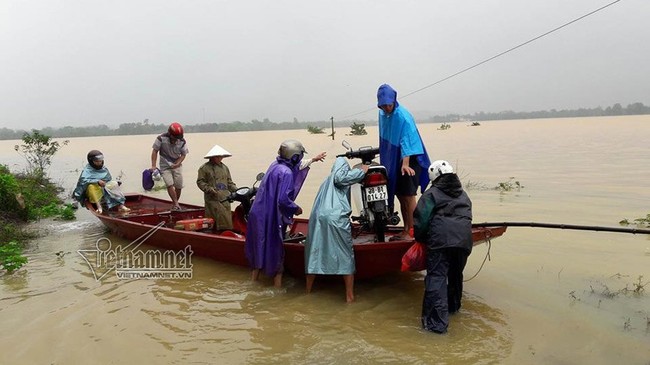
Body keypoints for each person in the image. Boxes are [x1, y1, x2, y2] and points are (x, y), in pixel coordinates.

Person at [413, 160, 473, 334]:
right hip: (464, 241)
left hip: (440, 241)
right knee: (455, 275)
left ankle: (436, 326)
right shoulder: (464, 195)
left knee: (437, 278)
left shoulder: (431, 194)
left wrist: (422, 239)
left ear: (435, 178)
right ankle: (454, 310)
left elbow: (421, 220)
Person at [245, 139, 310, 288]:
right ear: (294, 156)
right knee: (276, 252)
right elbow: (283, 200)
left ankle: (253, 283)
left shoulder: (274, 165)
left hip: (258, 213)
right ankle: (277, 290)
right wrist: (296, 208)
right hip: (270, 216)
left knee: (258, 249)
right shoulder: (286, 172)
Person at [305, 157, 368, 303]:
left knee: (314, 253)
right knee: (345, 255)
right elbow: (341, 178)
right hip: (336, 218)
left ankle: (307, 292)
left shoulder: (325, 182)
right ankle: (349, 296)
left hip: (318, 219)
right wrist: (361, 171)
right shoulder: (340, 177)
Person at [377, 84, 431, 241]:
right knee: (400, 194)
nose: (386, 108)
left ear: (394, 100)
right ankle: (406, 229)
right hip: (395, 159)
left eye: (388, 104)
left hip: (410, 160)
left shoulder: (402, 115)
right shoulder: (383, 115)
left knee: (408, 196)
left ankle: (413, 231)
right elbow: (386, 139)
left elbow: (406, 140)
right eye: (383, 105)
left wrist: (405, 164)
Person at [196, 144, 238, 232]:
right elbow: (200, 182)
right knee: (212, 220)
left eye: (221, 156)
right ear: (212, 157)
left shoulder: (225, 168)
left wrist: (237, 190)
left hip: (224, 198)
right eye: (218, 156)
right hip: (212, 198)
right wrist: (209, 189)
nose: (220, 158)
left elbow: (229, 183)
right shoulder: (204, 168)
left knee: (226, 220)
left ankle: (226, 234)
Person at [150, 122, 189, 211]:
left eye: (177, 138)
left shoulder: (182, 141)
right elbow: (155, 151)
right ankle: (176, 203)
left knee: (178, 185)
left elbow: (183, 154)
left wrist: (178, 163)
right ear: (170, 134)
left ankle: (175, 204)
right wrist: (153, 165)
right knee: (169, 184)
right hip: (165, 166)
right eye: (174, 138)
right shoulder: (161, 138)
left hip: (177, 165)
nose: (176, 140)